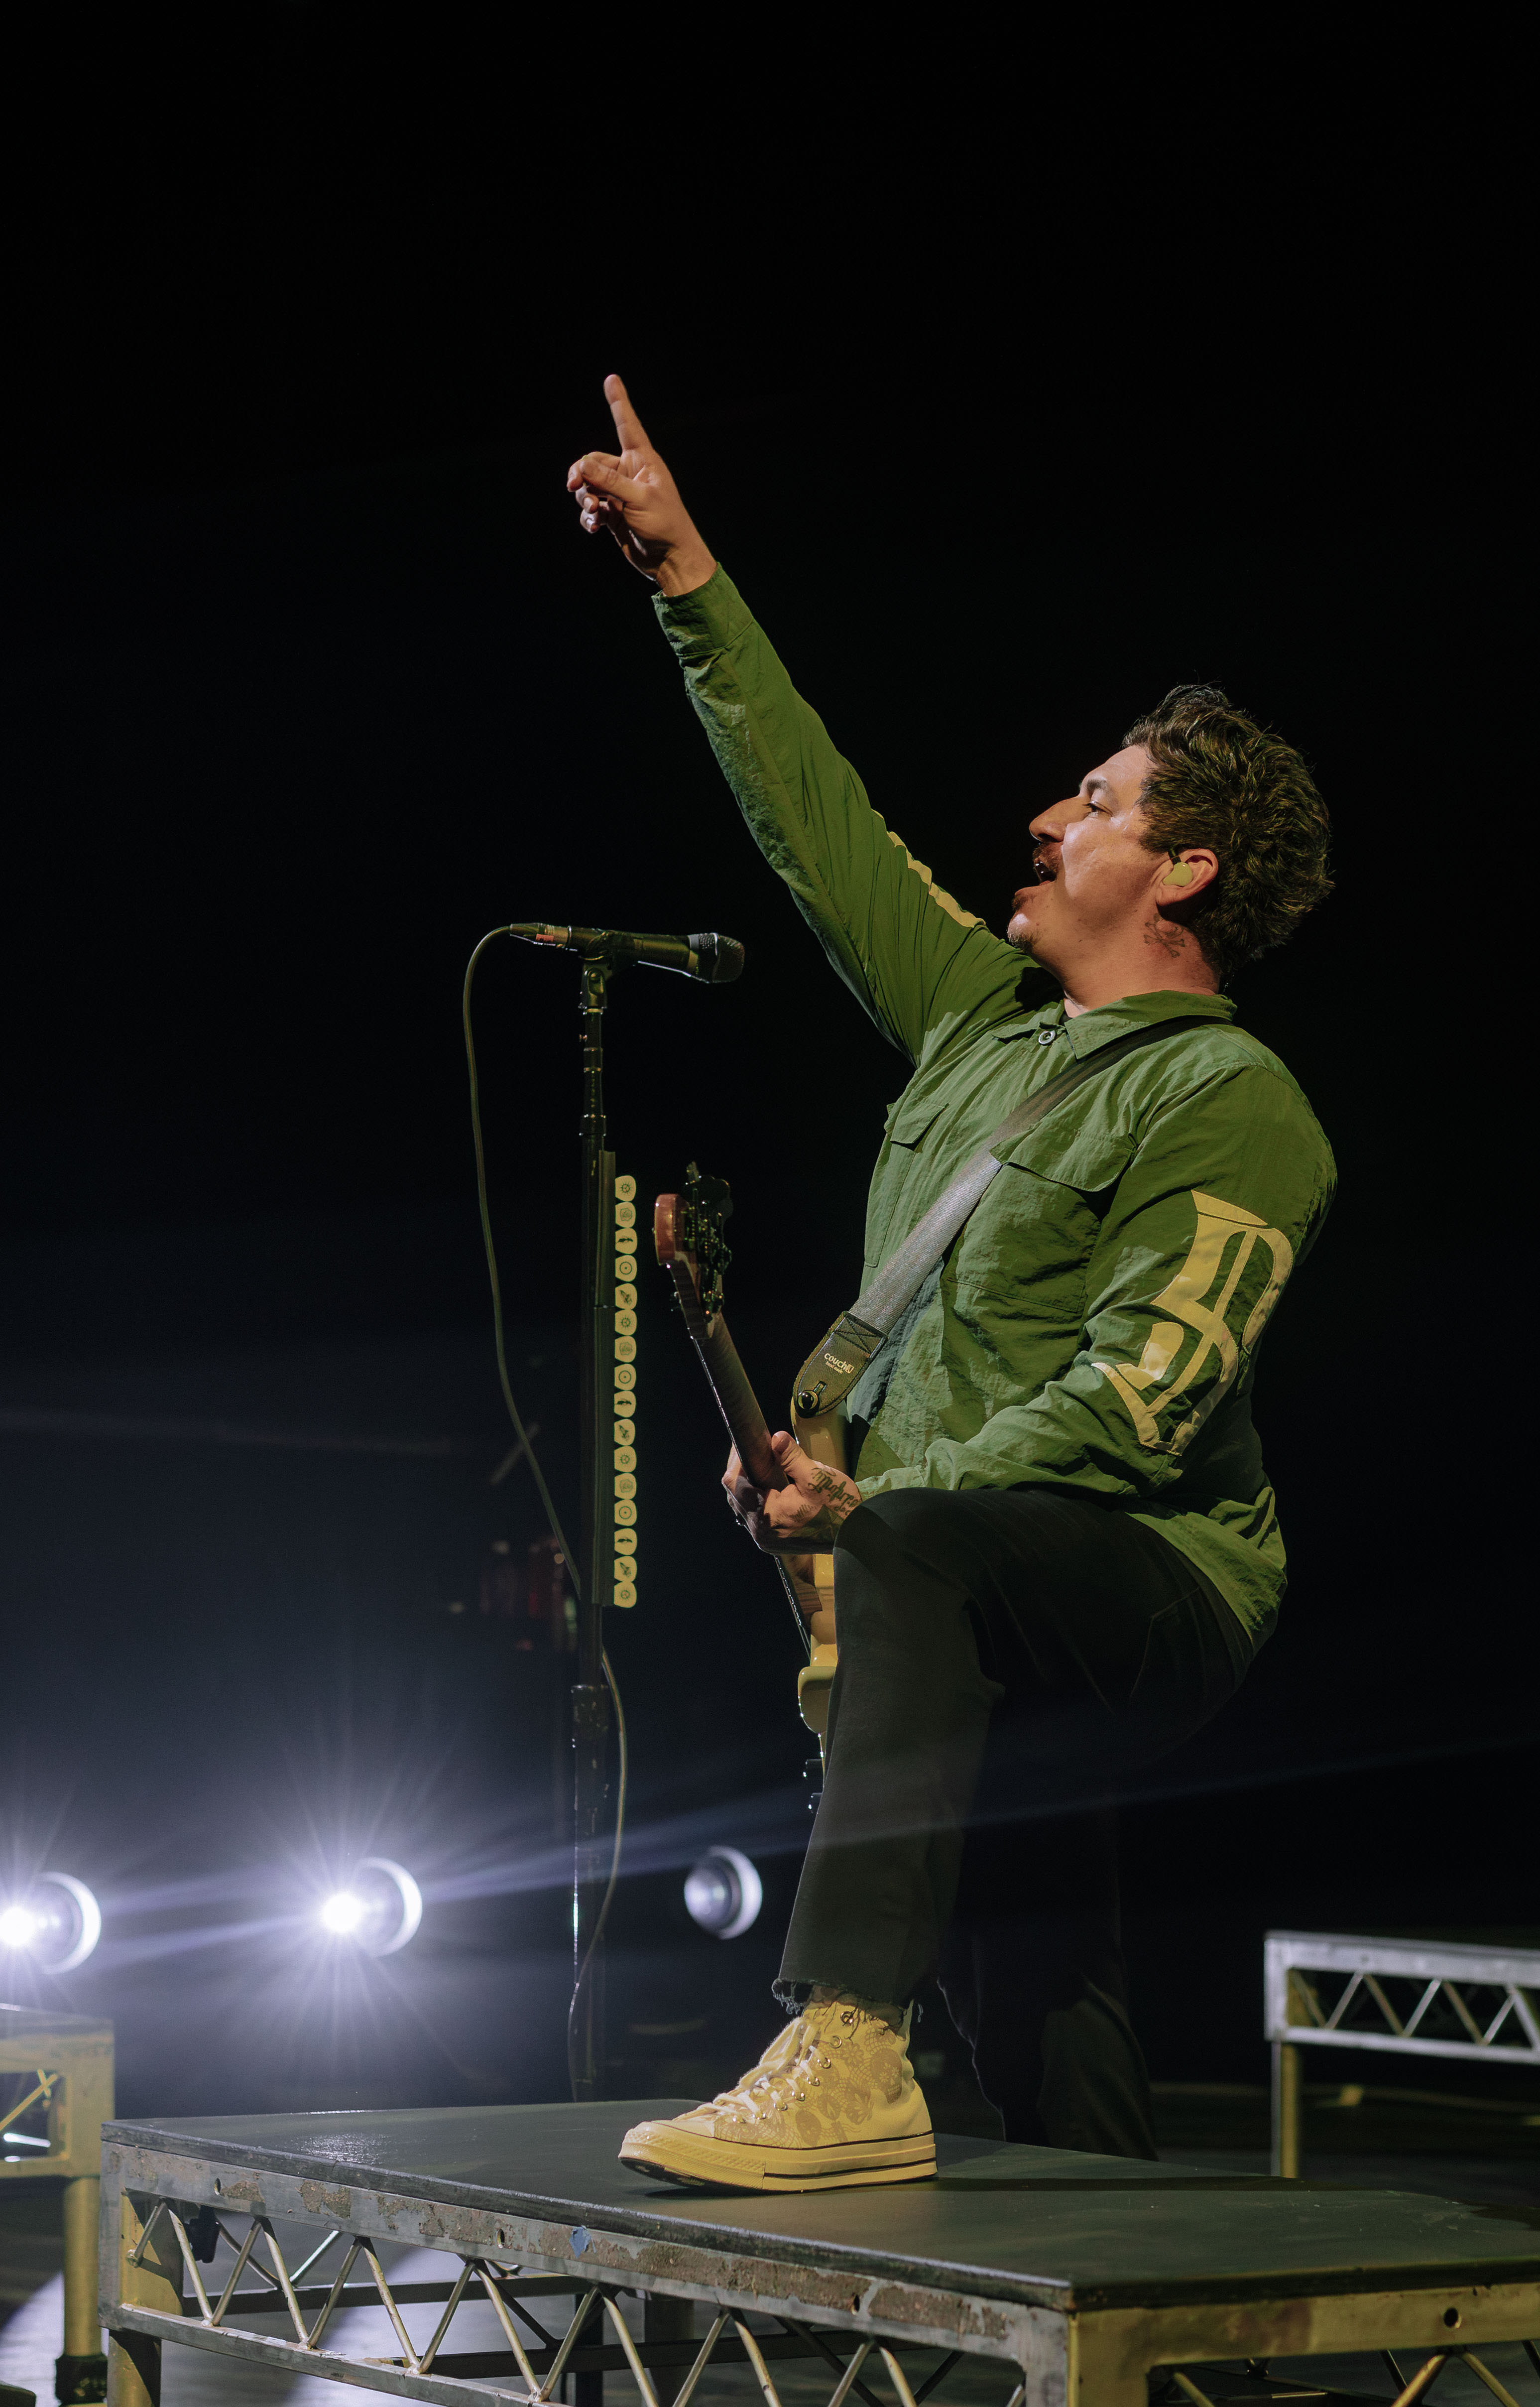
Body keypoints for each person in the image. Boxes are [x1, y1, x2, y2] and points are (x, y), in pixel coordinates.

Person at [567, 377, 1336, 2197]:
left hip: (1147, 1585)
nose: (1050, 816)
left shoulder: (1233, 1098)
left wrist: (878, 1511)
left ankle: (843, 2039)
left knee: (928, 1558)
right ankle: (1136, 2299)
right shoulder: (982, 1026)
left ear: (1186, 869)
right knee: (1032, 1957)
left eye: (1100, 801)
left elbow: (1140, 1403)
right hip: (957, 1575)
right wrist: (688, 578)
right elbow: (816, 822)